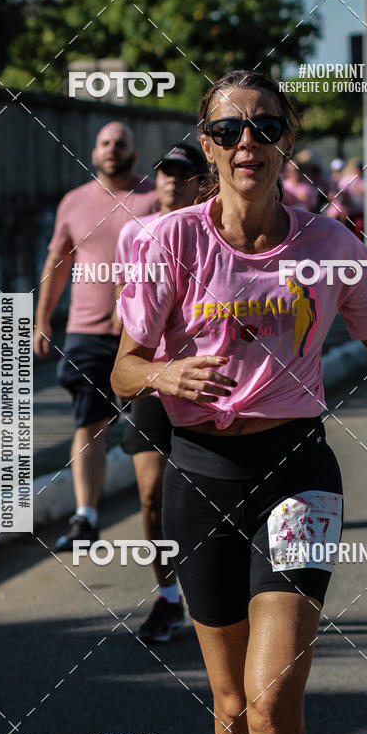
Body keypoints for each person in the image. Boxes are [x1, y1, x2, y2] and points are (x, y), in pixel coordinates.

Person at [110, 69, 367, 734]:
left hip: (297, 471)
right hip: (200, 473)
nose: (248, 142)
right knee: (233, 703)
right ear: (208, 145)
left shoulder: (331, 245)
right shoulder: (169, 242)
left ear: (288, 141)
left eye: (266, 127)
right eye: (229, 129)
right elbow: (125, 369)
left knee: (273, 704)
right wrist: (165, 374)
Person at [33, 121, 156, 551]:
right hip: (86, 331)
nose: (112, 148)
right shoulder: (74, 202)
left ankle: (161, 506)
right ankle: (85, 516)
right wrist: (42, 318)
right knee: (89, 421)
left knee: (152, 425)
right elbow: (57, 262)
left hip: (146, 335)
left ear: (134, 153)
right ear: (94, 152)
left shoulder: (154, 199)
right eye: (105, 142)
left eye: (121, 142)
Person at [114, 143, 208, 642]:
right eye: (165, 172)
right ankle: (168, 597)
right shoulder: (135, 232)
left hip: (204, 382)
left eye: (182, 172)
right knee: (151, 497)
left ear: (201, 181)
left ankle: (219, 595)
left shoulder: (213, 230)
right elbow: (123, 303)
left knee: (207, 499)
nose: (170, 180)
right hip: (152, 381)